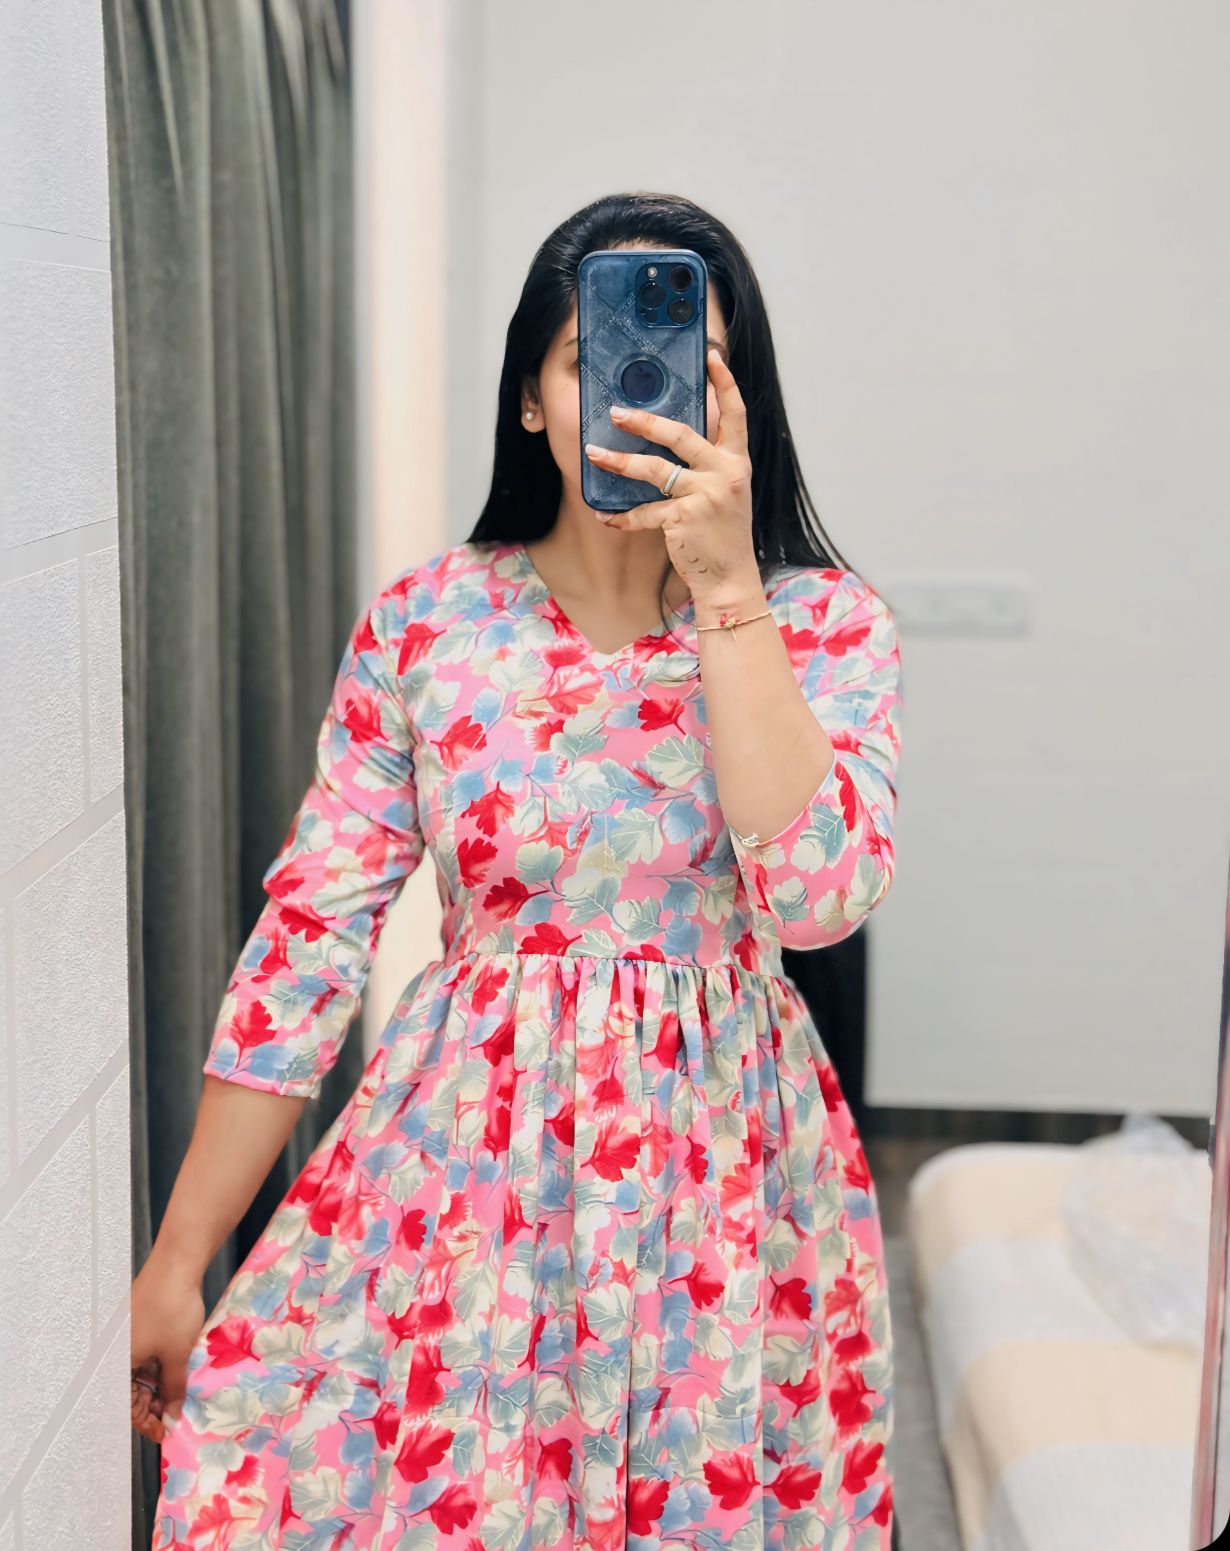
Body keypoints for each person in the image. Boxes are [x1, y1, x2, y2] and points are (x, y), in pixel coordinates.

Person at [133, 190, 903, 1549]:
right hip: (467, 1168)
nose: (640, 390)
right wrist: (181, 1255)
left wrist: (727, 592)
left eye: (690, 364)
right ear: (534, 401)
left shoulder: (824, 626)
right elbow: (306, 947)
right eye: (594, 359)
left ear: (739, 405)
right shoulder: (427, 625)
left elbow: (819, 897)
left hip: (726, 1180)